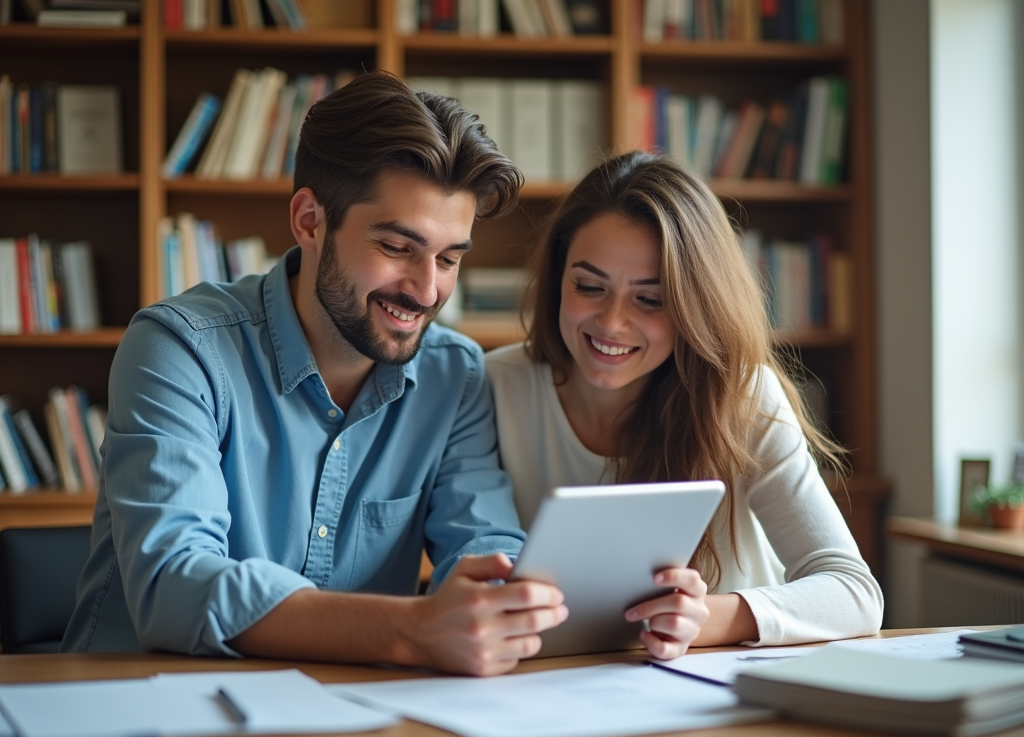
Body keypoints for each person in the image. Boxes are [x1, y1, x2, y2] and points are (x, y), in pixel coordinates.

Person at [61, 71, 567, 677]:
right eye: (398, 247)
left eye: (450, 258)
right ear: (308, 221)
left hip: (349, 711)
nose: (428, 290)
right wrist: (415, 629)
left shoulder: (453, 375)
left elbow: (483, 541)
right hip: (138, 707)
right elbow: (173, 586)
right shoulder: (180, 348)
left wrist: (495, 595)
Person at [485, 151, 883, 660]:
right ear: (557, 278)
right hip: (555, 682)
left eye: (650, 300)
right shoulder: (495, 386)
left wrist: (709, 618)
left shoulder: (743, 397)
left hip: (716, 686)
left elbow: (855, 593)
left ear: (695, 307)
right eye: (588, 286)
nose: (611, 323)